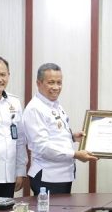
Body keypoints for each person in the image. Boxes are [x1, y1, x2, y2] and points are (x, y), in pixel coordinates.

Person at [22, 63, 98, 195]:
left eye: (59, 82)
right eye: (51, 82)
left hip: (62, 175)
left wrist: (73, 137)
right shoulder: (35, 109)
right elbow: (42, 147)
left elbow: (54, 134)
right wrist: (75, 154)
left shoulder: (54, 105)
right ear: (38, 83)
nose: (56, 87)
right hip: (48, 177)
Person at [0, 55, 28, 200]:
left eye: (2, 74)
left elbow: (19, 140)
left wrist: (20, 171)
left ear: (8, 76)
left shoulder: (14, 102)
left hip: (8, 175)